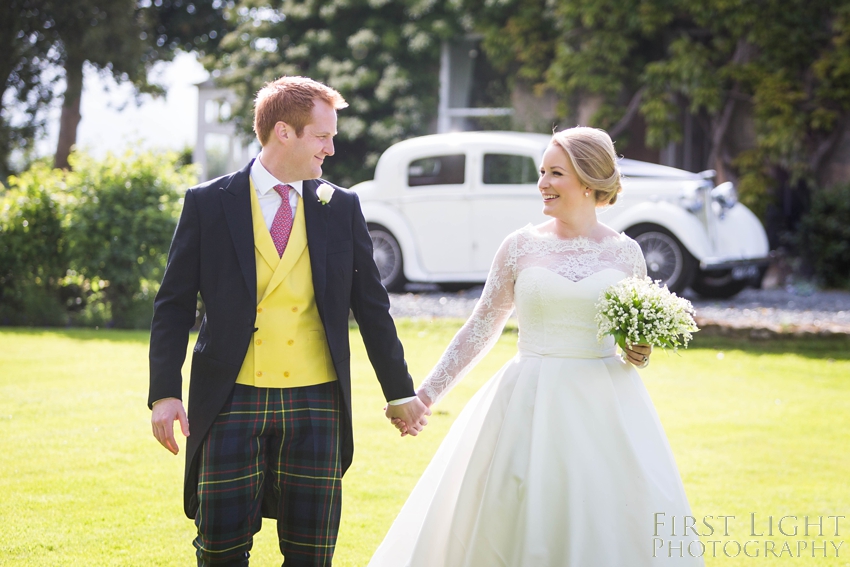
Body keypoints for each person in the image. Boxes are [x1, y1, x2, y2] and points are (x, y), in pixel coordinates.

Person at [372, 127, 704, 566]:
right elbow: (481, 327)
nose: (542, 183)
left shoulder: (627, 254)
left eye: (555, 173)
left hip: (604, 404)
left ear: (588, 182)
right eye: (542, 172)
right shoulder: (520, 246)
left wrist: (638, 350)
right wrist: (425, 396)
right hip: (528, 398)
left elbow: (632, 338)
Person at [148, 76, 430, 567]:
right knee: (219, 549)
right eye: (322, 136)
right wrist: (165, 392)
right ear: (284, 132)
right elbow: (173, 305)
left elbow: (371, 306)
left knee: (312, 554)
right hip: (231, 396)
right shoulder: (208, 203)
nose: (332, 148)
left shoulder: (340, 206)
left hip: (317, 399)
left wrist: (399, 392)